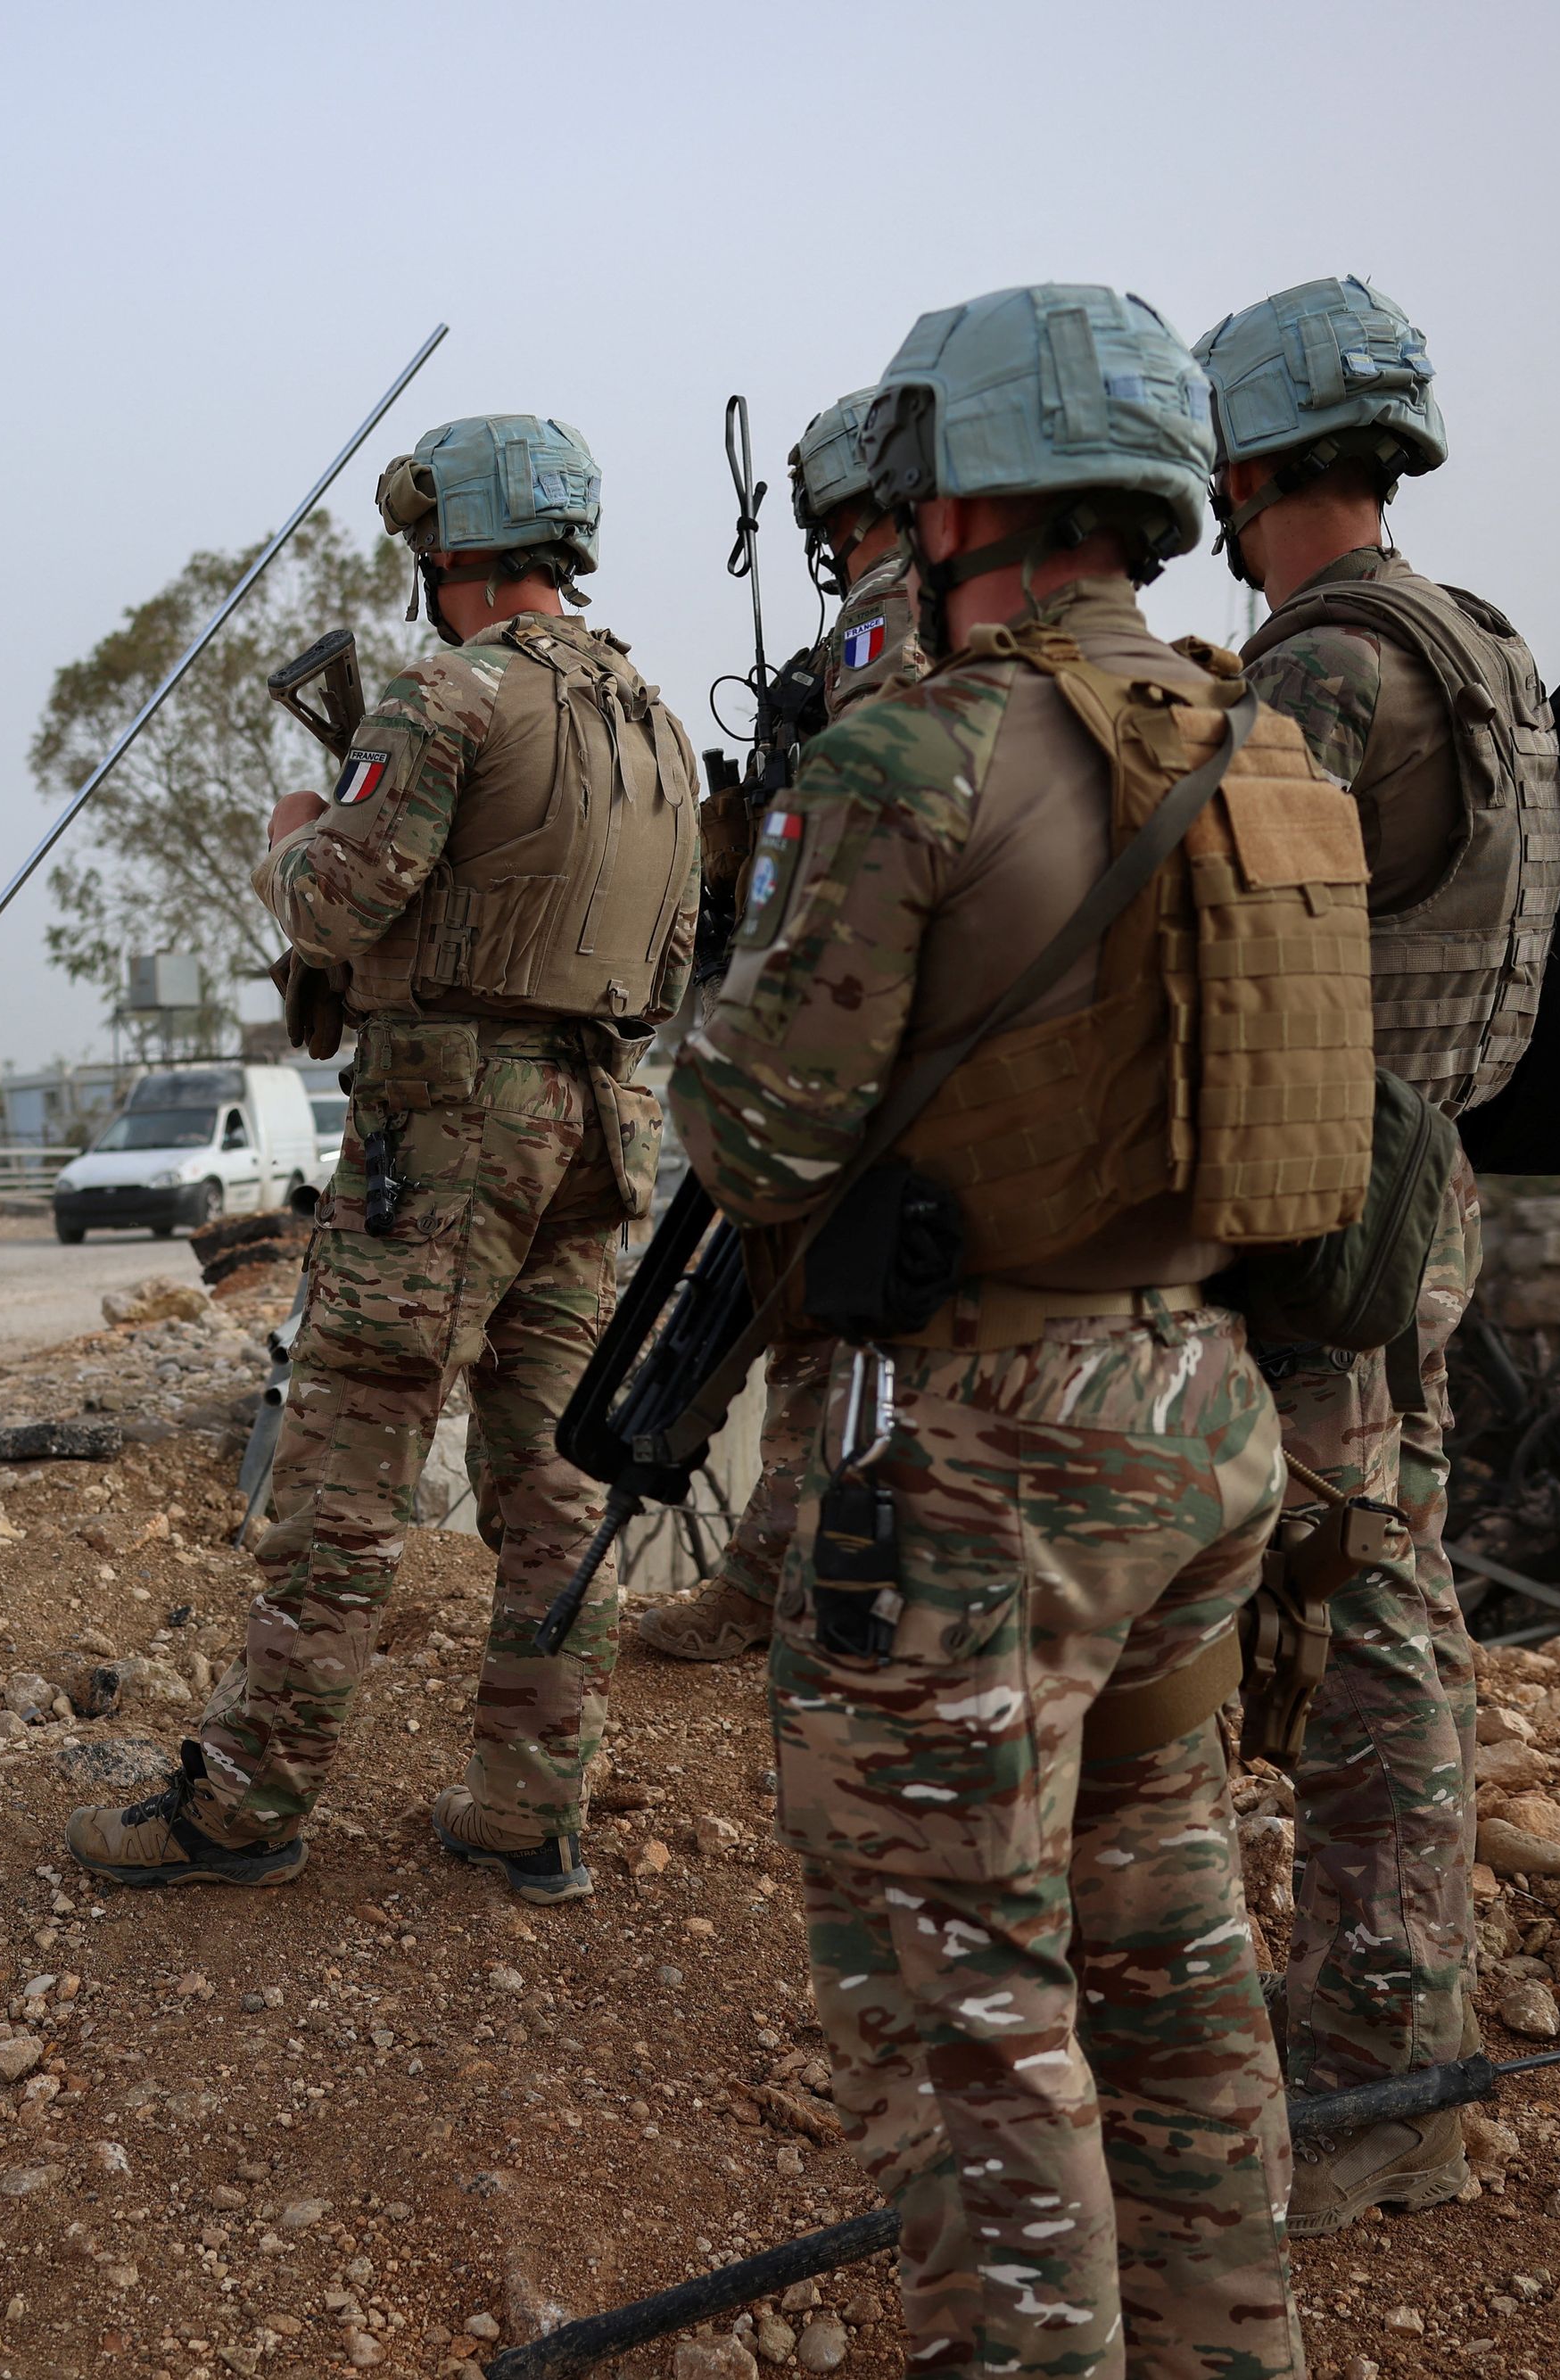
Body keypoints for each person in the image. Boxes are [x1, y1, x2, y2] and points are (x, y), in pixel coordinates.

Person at [673, 284, 1363, 2379]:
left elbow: (752, 1131)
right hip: (1201, 1422)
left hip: (986, 1456)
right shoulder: (1266, 740)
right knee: (1169, 1957)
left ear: (962, 490)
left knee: (966, 2011)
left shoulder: (918, 747)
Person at [66, 413, 696, 1905]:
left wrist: (289, 835)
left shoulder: (446, 695)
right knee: (549, 1483)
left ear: (447, 548)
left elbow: (338, 904)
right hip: (597, 1132)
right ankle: (531, 1806)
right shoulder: (655, 723)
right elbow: (670, 965)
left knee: (346, 1475)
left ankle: (245, 1803)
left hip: (446, 1138)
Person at [1196, 274, 1560, 2233]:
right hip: (1421, 1179)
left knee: (1356, 1629)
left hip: (1330, 1193)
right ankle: (1372, 2008)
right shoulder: (1474, 640)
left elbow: (1218, 940)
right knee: (1385, 1592)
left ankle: (1377, 2079)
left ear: (1238, 463)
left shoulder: (1324, 671)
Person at [637, 388, 926, 1666]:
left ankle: (783, 1596)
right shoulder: (968, 615)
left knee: (823, 1323)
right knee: (817, 1329)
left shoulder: (890, 624)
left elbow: (866, 840)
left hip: (864, 1037)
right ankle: (771, 1580)